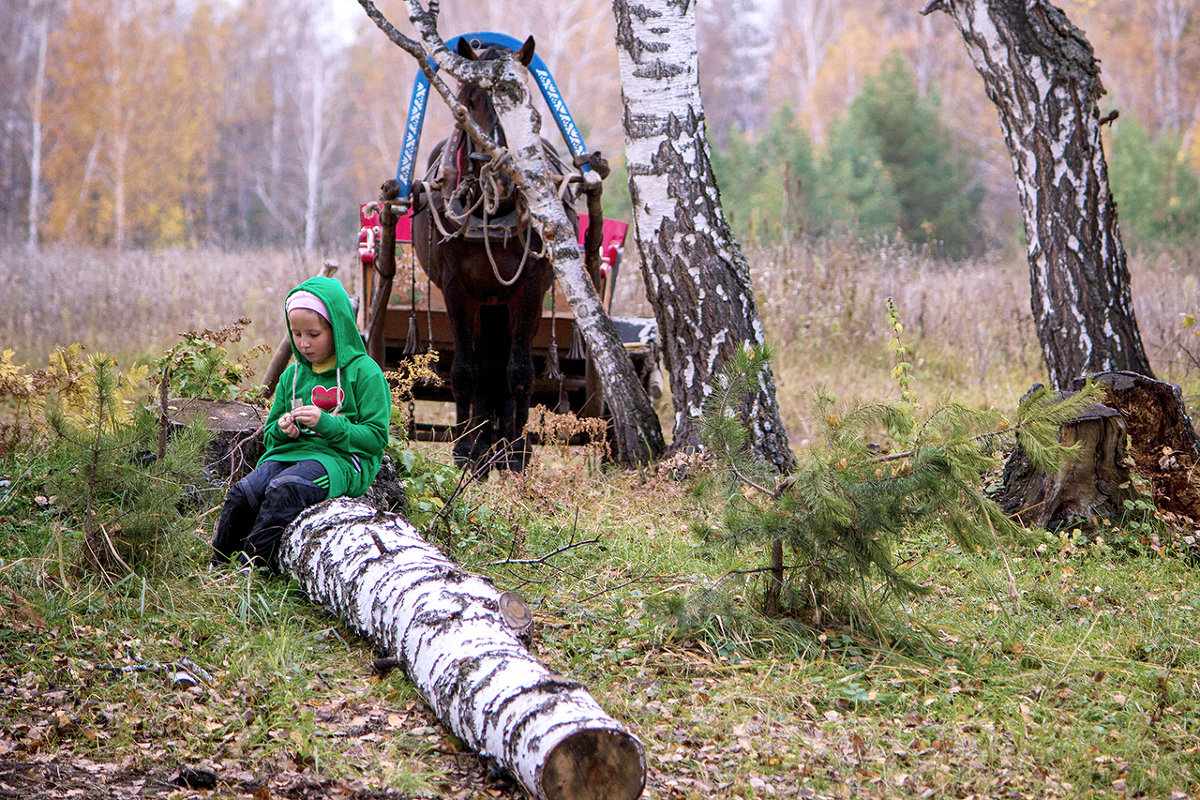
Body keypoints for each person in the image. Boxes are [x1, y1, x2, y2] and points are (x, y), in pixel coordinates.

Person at [211, 276, 391, 571]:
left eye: (313, 334)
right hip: (290, 455)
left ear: (338, 328)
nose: (304, 343)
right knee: (244, 493)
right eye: (296, 334)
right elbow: (269, 436)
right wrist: (283, 430)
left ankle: (252, 570)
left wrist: (328, 425)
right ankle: (218, 567)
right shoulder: (292, 376)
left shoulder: (365, 373)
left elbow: (375, 439)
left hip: (342, 462)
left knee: (286, 489)